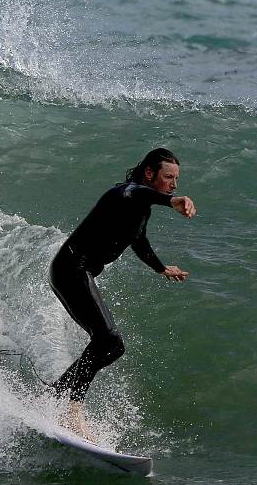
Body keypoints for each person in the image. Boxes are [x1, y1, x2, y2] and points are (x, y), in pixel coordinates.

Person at [49, 147, 196, 440]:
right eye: (169, 177)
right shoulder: (124, 194)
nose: (174, 184)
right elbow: (137, 193)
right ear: (149, 173)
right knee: (108, 340)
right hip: (70, 269)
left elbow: (138, 241)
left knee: (112, 346)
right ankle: (70, 408)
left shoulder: (140, 211)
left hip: (78, 272)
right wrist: (171, 201)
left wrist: (161, 268)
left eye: (176, 180)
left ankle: (56, 394)